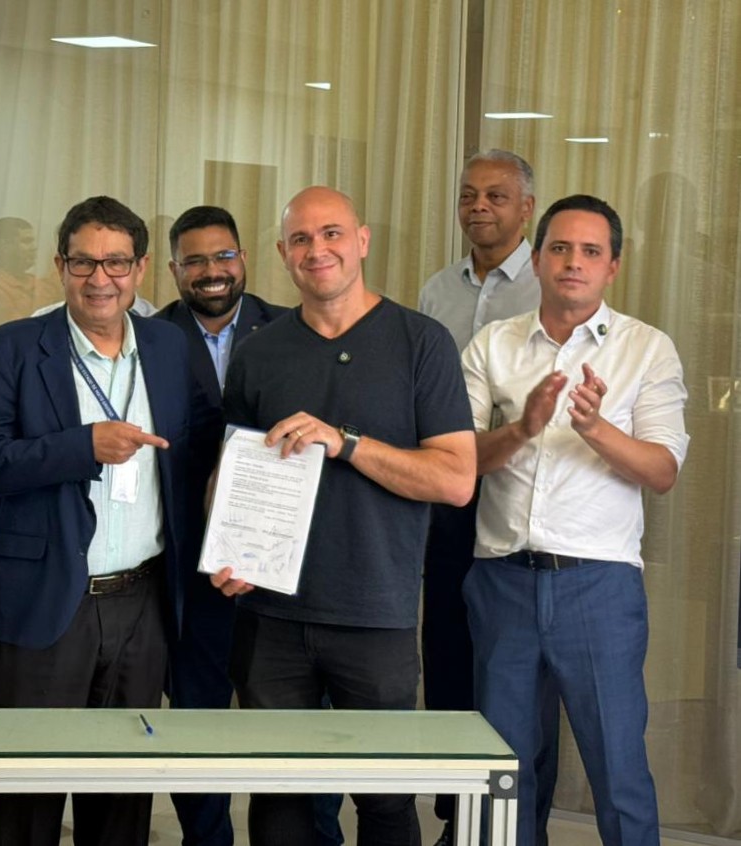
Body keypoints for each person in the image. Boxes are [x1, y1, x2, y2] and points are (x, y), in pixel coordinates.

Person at [212, 186, 476, 846]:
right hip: (270, 616)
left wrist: (347, 443)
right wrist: (228, 550)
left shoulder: (421, 342)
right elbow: (230, 471)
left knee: (384, 801)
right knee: (280, 800)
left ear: (361, 240)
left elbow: (455, 479)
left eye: (331, 233)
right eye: (300, 239)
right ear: (283, 253)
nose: (316, 250)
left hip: (375, 616)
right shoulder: (258, 352)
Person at [0, 195, 217, 846]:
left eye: (116, 263)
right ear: (60, 266)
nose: (100, 279)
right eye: (83, 262)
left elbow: (204, 448)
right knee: (27, 793)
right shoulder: (11, 348)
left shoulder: (167, 346)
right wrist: (83, 446)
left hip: (143, 603)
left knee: (122, 794)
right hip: (46, 600)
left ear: (141, 268)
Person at [461, 194, 688, 846]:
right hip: (503, 580)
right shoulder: (492, 344)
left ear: (613, 266)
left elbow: (662, 470)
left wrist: (595, 429)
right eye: (560, 248)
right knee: (504, 774)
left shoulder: (647, 349)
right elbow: (458, 463)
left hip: (599, 586)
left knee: (617, 768)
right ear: (536, 259)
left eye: (591, 251)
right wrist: (523, 428)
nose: (573, 262)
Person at [415, 149, 554, 846]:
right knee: (447, 656)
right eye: (469, 195)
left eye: (496, 196)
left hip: (520, 502)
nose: (479, 207)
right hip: (447, 502)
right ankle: (456, 816)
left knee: (518, 676)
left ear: (526, 208)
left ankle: (521, 823)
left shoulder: (549, 284)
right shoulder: (437, 290)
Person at [155, 204, 289, 846]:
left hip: (278, 563)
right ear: (175, 270)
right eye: (196, 261)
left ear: (245, 258)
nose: (212, 270)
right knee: (196, 720)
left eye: (224, 256)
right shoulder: (149, 338)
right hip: (186, 562)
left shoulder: (292, 330)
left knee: (286, 721)